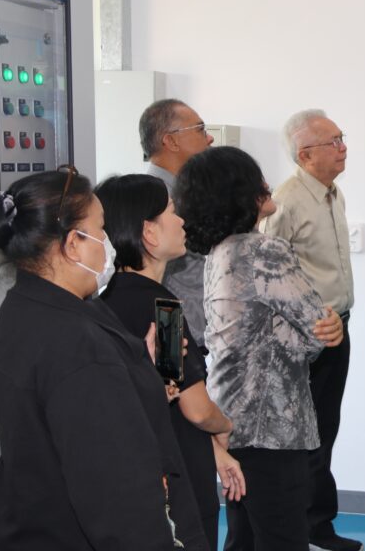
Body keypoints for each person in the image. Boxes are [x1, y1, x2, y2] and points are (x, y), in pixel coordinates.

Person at [0, 166, 209, 550]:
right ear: (73, 244)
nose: (108, 243)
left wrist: (140, 371)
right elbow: (118, 497)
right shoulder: (77, 346)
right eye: (100, 231)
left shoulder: (28, 305)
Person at [175, 146, 345, 551]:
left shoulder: (219, 252)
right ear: (238, 192)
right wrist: (327, 326)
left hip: (232, 417)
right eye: (257, 178)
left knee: (245, 537)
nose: (267, 184)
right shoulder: (263, 251)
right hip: (272, 427)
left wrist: (311, 328)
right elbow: (316, 329)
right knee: (282, 538)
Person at [96, 174, 247, 550]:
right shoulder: (163, 311)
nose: (182, 221)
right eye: (173, 212)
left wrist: (214, 449)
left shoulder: (102, 303)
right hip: (177, 472)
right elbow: (196, 409)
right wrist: (224, 427)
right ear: (149, 232)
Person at [258, 109, 360, 551]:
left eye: (341, 137)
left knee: (326, 429)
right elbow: (267, 272)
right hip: (305, 337)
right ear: (305, 154)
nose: (343, 147)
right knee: (307, 436)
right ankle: (304, 530)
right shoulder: (286, 202)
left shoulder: (333, 194)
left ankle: (319, 526)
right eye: (333, 141)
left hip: (338, 329)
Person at [139, 98, 214, 347]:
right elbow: (155, 281)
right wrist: (170, 346)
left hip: (200, 335)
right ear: (171, 141)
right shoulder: (156, 199)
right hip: (179, 337)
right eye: (200, 130)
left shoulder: (188, 192)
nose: (210, 138)